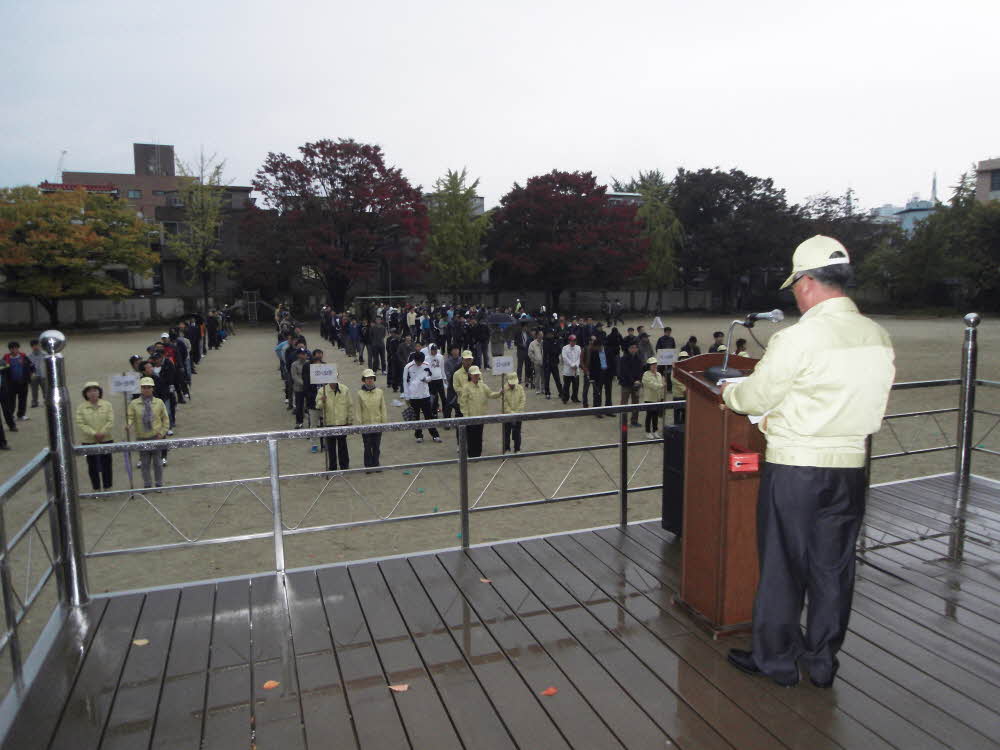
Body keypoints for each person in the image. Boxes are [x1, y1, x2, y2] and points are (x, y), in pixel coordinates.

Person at [720, 235, 895, 689]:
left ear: (808, 282)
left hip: (796, 467)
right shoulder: (877, 335)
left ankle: (776, 661)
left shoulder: (798, 338)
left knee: (783, 566)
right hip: (850, 468)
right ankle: (820, 662)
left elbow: (756, 396)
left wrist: (730, 392)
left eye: (796, 283)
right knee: (833, 570)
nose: (796, 293)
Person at [127, 377, 169, 490]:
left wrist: (162, 433)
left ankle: (159, 483)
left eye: (149, 387)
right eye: (144, 387)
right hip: (142, 437)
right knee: (144, 463)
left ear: (153, 389)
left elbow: (165, 419)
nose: (146, 390)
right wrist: (128, 424)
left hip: (156, 436)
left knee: (158, 462)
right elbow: (130, 417)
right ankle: (147, 484)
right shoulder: (134, 404)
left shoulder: (159, 403)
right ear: (140, 389)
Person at [76, 382, 114, 491]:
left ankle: (108, 487)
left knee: (107, 463)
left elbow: (110, 421)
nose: (93, 393)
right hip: (89, 440)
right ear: (85, 394)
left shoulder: (107, 405)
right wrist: (94, 433)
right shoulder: (81, 408)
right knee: (92, 465)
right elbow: (81, 423)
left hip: (106, 438)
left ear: (99, 392)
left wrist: (102, 432)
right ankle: (96, 488)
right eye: (89, 391)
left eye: (95, 390)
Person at [403, 351, 441, 444]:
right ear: (415, 360)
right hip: (414, 396)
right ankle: (419, 435)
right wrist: (407, 396)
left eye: (421, 361)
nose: (419, 363)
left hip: (425, 395)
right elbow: (404, 382)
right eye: (418, 362)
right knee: (416, 417)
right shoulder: (408, 367)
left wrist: (426, 379)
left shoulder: (426, 364)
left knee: (429, 416)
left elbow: (430, 377)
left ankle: (435, 435)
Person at [316, 378, 353, 471]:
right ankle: (332, 466)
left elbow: (349, 405)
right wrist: (322, 401)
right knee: (331, 446)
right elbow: (318, 406)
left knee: (342, 445)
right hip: (329, 422)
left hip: (342, 422)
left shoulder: (345, 389)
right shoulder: (322, 391)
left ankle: (344, 465)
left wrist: (350, 420)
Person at [458, 365, 492, 457]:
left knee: (479, 435)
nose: (476, 376)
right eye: (474, 375)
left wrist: (500, 393)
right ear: (470, 375)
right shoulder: (466, 387)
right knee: (471, 436)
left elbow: (490, 394)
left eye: (477, 374)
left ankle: (478, 454)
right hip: (471, 417)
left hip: (481, 416)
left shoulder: (483, 386)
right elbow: (463, 402)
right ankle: (471, 454)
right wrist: (466, 415)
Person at [356, 369, 387, 470]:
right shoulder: (360, 394)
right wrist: (359, 424)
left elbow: (383, 408)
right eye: (367, 378)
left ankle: (376, 464)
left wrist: (384, 423)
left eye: (371, 378)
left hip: (377, 423)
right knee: (367, 446)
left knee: (376, 446)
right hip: (366, 424)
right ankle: (368, 466)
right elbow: (358, 410)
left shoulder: (379, 392)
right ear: (363, 380)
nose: (369, 380)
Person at [492, 372, 525, 453]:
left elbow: (522, 401)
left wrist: (517, 413)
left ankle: (517, 449)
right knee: (506, 433)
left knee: (517, 432)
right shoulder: (504, 389)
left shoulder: (520, 388)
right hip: (507, 415)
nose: (512, 385)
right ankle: (506, 448)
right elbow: (504, 403)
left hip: (518, 415)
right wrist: (511, 413)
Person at [3, 342, 34, 422]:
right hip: (10, 384)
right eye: (12, 348)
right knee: (11, 400)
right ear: (9, 349)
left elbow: (31, 366)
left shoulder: (23, 357)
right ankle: (11, 415)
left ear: (18, 348)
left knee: (22, 399)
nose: (14, 350)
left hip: (23, 382)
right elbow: (2, 369)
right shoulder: (6, 358)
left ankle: (21, 415)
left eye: (16, 348)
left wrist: (30, 375)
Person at [618, 341, 643, 427]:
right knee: (624, 402)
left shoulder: (639, 359)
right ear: (628, 349)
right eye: (632, 348)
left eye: (635, 348)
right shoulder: (623, 359)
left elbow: (640, 371)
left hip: (636, 384)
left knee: (636, 402)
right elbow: (625, 372)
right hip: (626, 383)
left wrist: (639, 380)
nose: (633, 349)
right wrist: (633, 381)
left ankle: (634, 420)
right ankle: (623, 421)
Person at [641, 357, 666, 439]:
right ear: (649, 366)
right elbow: (653, 385)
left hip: (657, 399)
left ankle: (655, 431)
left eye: (655, 364)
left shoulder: (659, 374)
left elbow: (661, 386)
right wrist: (662, 385)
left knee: (656, 416)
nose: (654, 366)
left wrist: (662, 397)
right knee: (649, 415)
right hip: (649, 399)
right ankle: (647, 431)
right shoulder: (646, 375)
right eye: (652, 365)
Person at [290, 348, 310, 428]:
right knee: (299, 405)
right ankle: (299, 422)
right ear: (298, 355)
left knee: (310, 405)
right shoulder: (294, 365)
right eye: (302, 354)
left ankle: (311, 422)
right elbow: (294, 376)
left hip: (308, 388)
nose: (304, 355)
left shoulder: (309, 363)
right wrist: (303, 383)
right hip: (299, 388)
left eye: (305, 353)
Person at [559, 334, 582, 404]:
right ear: (569, 341)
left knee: (576, 386)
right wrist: (572, 364)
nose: (573, 342)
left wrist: (576, 365)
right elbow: (564, 358)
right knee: (566, 386)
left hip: (576, 370)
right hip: (568, 370)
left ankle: (574, 397)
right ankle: (565, 398)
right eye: (572, 341)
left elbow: (579, 357)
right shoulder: (565, 348)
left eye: (574, 341)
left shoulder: (578, 348)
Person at [27, 339, 46, 408]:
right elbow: (27, 366)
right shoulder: (29, 356)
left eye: (37, 345)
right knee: (34, 390)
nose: (36, 347)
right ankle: (34, 402)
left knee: (45, 389)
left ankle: (46, 400)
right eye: (34, 346)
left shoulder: (45, 354)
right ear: (31, 347)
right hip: (34, 375)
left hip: (43, 374)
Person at [673, 350, 689, 424]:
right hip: (677, 395)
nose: (684, 359)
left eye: (686, 358)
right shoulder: (675, 369)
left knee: (685, 414)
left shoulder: (688, 369)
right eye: (682, 358)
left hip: (686, 395)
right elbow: (674, 379)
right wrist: (684, 389)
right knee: (677, 414)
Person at [528, 330, 544, 395]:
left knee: (544, 376)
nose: (541, 336)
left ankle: (543, 389)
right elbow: (530, 353)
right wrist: (534, 360)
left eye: (542, 334)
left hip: (544, 362)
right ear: (537, 335)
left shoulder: (544, 342)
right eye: (540, 334)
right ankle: (537, 389)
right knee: (537, 376)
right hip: (536, 362)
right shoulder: (532, 343)